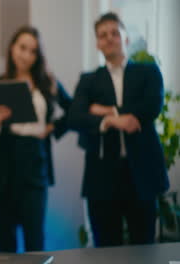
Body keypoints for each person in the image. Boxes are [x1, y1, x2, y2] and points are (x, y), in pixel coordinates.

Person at [68, 12, 169, 247]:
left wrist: (103, 110)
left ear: (125, 38)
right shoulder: (89, 79)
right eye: (103, 35)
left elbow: (151, 106)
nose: (110, 38)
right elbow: (74, 117)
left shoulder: (149, 72)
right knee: (105, 250)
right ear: (97, 44)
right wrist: (112, 121)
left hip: (142, 174)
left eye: (115, 32)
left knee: (144, 248)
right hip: (101, 177)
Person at [0, 26, 72, 252]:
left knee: (36, 243)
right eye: (22, 48)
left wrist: (53, 127)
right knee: (5, 246)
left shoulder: (47, 81)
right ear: (12, 48)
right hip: (3, 168)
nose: (26, 55)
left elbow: (73, 111)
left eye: (33, 51)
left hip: (35, 165)